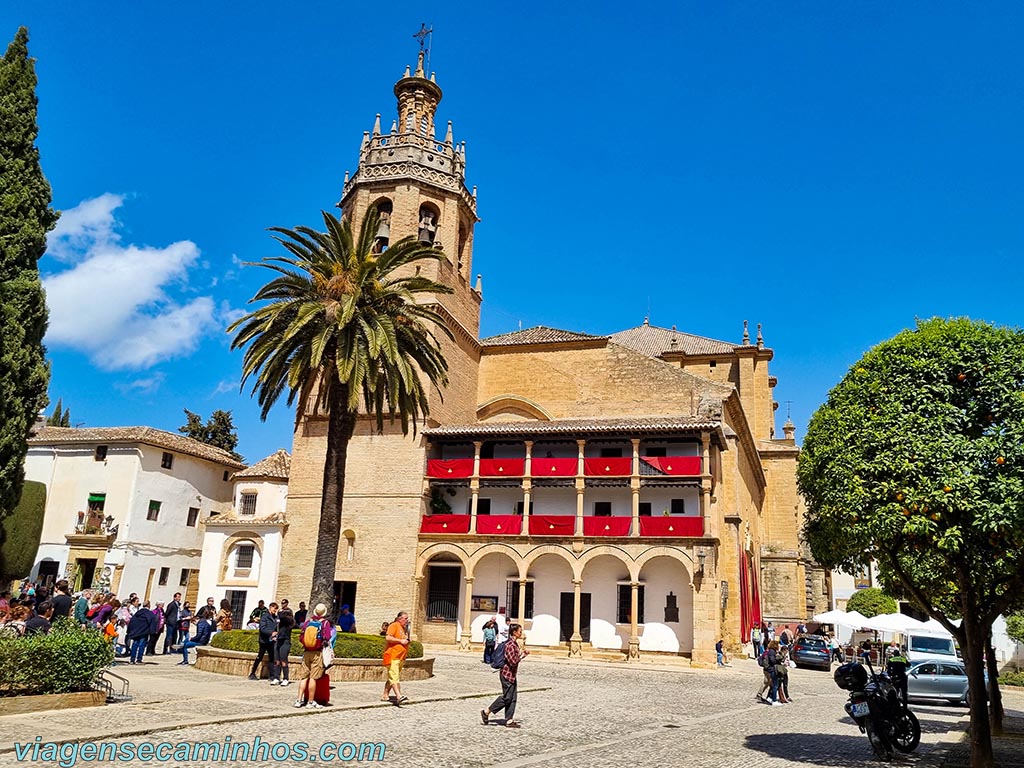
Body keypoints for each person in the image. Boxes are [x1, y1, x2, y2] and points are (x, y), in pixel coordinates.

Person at [481, 622, 529, 728]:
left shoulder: (514, 644)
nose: (521, 633)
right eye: (520, 631)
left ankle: (509, 720)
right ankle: (486, 711)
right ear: (514, 632)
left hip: (511, 674)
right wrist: (522, 656)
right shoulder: (510, 645)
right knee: (507, 698)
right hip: (507, 674)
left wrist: (521, 655)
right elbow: (513, 662)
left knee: (513, 698)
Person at [295, 603, 333, 709]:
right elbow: (327, 637)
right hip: (317, 652)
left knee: (304, 677)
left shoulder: (308, 622)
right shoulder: (325, 623)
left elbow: (301, 637)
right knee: (313, 678)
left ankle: (298, 700)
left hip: (306, 652)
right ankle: (310, 702)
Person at [381, 611, 410, 706]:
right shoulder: (394, 625)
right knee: (394, 677)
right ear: (399, 618)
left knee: (392, 678)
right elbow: (388, 638)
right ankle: (399, 696)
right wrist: (401, 641)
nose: (407, 620)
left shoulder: (403, 628)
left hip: (400, 657)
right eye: (405, 618)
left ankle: (385, 695)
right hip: (392, 656)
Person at [250, 602, 280, 682]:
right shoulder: (265, 617)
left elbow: (277, 627)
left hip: (271, 641)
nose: (275, 610)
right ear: (270, 608)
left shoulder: (276, 618)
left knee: (271, 658)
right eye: (274, 608)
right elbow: (262, 629)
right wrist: (271, 633)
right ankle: (252, 673)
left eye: (276, 608)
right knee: (259, 657)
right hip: (264, 641)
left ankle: (271, 675)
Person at [276, 599, 295, 687]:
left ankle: (286, 678)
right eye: (282, 603)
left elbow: (284, 618)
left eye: (284, 603)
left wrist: (281, 613)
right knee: (277, 660)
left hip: (285, 640)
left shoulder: (288, 615)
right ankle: (277, 677)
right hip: (278, 639)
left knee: (284, 660)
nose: (283, 605)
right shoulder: (280, 615)